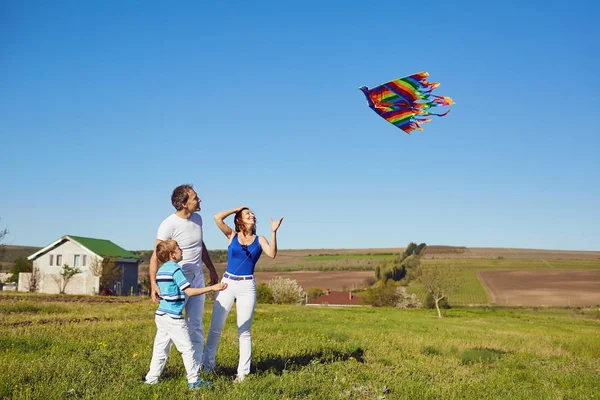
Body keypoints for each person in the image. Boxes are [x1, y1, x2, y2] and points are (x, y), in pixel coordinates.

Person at [202, 206, 283, 382]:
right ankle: (207, 367)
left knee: (244, 330)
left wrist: (273, 232)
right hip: (227, 283)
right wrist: (237, 209)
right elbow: (217, 218)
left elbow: (272, 254)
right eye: (248, 214)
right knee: (216, 327)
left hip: (247, 286)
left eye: (253, 214)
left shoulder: (259, 239)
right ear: (240, 220)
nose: (252, 216)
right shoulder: (231, 235)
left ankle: (242, 374)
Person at [149, 184, 219, 367]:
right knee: (168, 330)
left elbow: (199, 245)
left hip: (197, 278)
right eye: (195, 198)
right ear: (183, 203)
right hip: (177, 282)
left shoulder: (198, 219)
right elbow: (156, 255)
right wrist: (154, 284)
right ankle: (155, 374)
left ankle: (194, 371)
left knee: (195, 325)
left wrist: (210, 268)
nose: (199, 200)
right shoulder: (168, 225)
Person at [145, 240, 226, 389]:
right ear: (172, 254)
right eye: (178, 248)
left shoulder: (161, 271)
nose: (181, 250)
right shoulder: (176, 270)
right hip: (173, 317)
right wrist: (212, 288)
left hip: (161, 315)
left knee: (160, 348)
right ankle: (194, 381)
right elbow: (189, 291)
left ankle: (151, 379)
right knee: (187, 349)